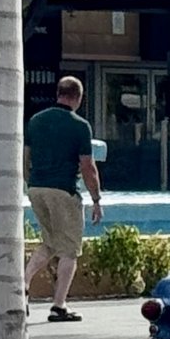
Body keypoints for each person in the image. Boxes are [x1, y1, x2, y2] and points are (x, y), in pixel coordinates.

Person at [24, 76, 103, 322]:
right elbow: (88, 167)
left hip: (37, 188)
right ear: (78, 97)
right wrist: (96, 199)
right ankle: (59, 306)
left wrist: (31, 183)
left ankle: (23, 284)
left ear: (58, 93)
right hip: (63, 190)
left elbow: (25, 157)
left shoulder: (35, 121)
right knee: (69, 250)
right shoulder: (79, 125)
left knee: (50, 242)